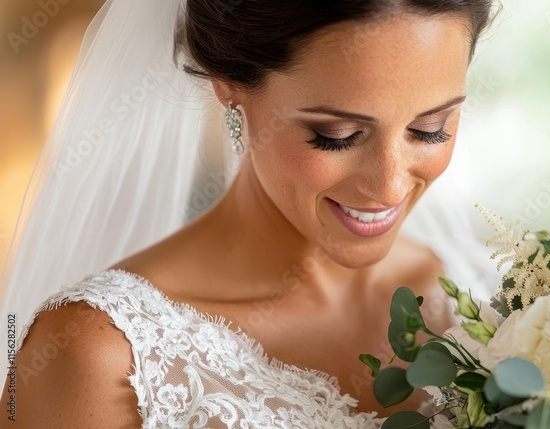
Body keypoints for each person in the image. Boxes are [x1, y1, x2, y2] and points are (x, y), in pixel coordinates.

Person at [0, 0, 498, 427]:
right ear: (229, 85)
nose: (389, 185)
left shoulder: (493, 296)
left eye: (430, 128)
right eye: (336, 136)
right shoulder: (98, 355)